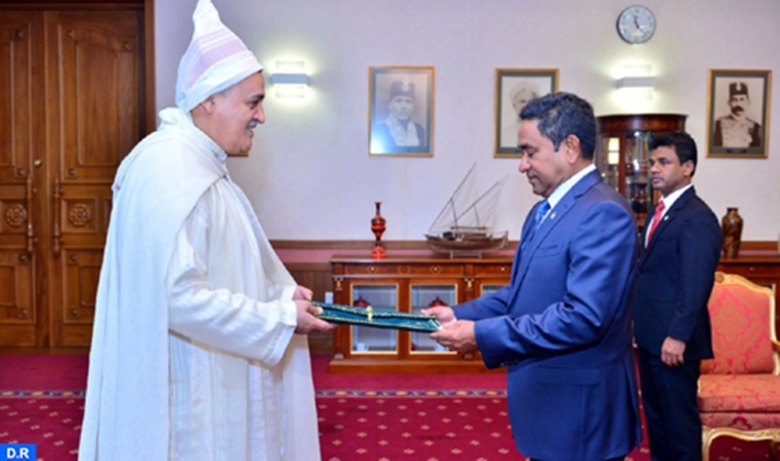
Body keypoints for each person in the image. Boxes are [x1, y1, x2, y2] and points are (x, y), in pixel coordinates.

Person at [77, 0, 334, 459]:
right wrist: (278, 318)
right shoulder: (171, 168)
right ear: (209, 100)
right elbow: (177, 297)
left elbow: (221, 269)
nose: (262, 116)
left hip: (212, 375)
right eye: (253, 102)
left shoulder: (198, 164)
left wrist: (278, 297)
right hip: (189, 397)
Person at [424, 92, 641, 461]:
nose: (522, 166)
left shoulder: (603, 213)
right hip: (551, 408)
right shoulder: (543, 211)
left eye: (530, 152)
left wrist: (480, 335)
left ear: (569, 148)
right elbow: (521, 294)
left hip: (580, 417)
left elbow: (583, 318)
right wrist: (460, 314)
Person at [633, 132, 722, 461]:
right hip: (651, 338)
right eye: (652, 162)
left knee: (679, 426)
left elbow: (695, 284)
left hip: (674, 343)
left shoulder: (697, 217)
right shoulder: (659, 211)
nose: (654, 169)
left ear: (688, 167)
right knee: (657, 423)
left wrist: (678, 336)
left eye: (663, 162)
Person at [372, 79, 426, 152]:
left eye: (408, 101)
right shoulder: (379, 129)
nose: (404, 106)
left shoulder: (419, 130)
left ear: (413, 106)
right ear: (390, 105)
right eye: (398, 101)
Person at [713, 81, 761, 148]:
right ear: (729, 102)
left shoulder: (756, 127)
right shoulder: (717, 125)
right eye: (734, 100)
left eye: (742, 99)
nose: (738, 104)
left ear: (748, 102)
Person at [500, 80, 541, 148]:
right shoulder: (505, 133)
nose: (527, 105)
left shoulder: (543, 132)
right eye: (522, 101)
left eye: (531, 102)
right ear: (514, 105)